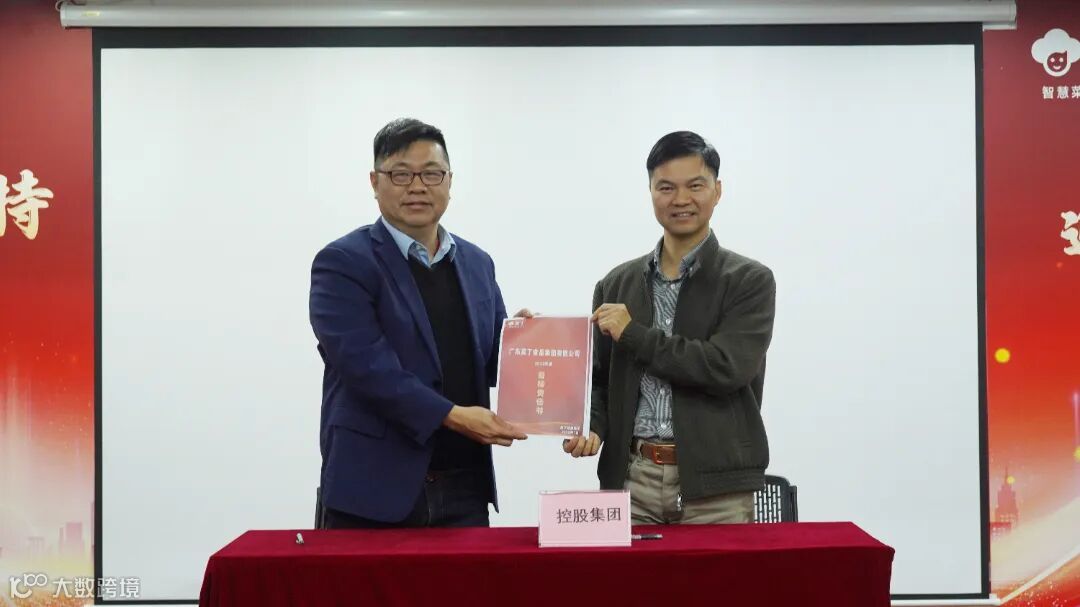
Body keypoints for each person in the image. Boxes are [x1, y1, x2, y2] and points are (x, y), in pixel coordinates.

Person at [310, 118, 526, 529]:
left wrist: (526, 343)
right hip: (372, 489)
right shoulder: (343, 263)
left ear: (449, 181)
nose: (417, 186)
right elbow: (367, 368)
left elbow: (490, 360)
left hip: (464, 485)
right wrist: (452, 415)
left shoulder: (477, 263)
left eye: (431, 173)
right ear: (375, 182)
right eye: (400, 174)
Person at [564, 130, 776, 525]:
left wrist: (634, 334)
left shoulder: (749, 280)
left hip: (717, 489)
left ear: (717, 191)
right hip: (632, 479)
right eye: (666, 187)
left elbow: (725, 367)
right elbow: (599, 381)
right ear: (650, 192)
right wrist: (590, 426)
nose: (680, 199)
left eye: (695, 186)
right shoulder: (615, 284)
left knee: (719, 572)